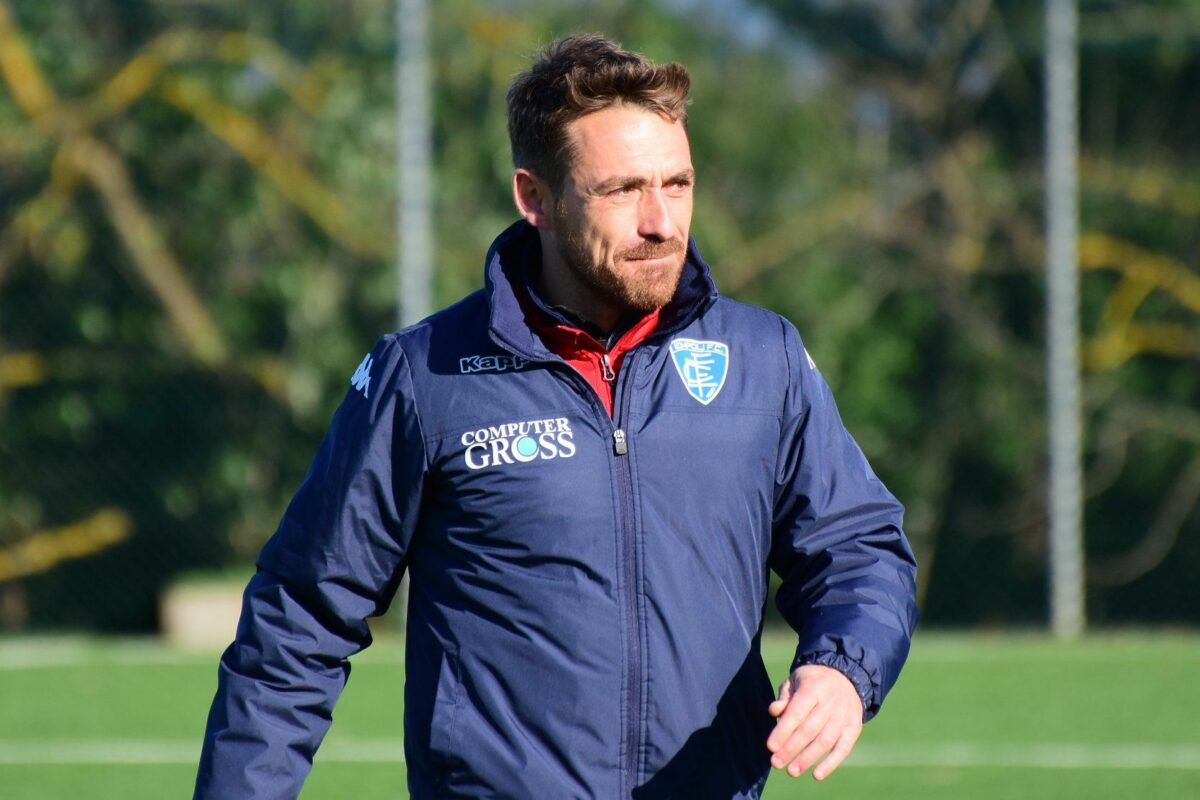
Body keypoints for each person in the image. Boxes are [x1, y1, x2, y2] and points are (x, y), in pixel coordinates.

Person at [194, 34, 918, 800]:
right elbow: (300, 620)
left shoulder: (763, 359)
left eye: (677, 184)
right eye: (623, 190)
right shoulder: (425, 376)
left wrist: (844, 668)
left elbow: (857, 547)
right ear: (534, 197)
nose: (661, 221)